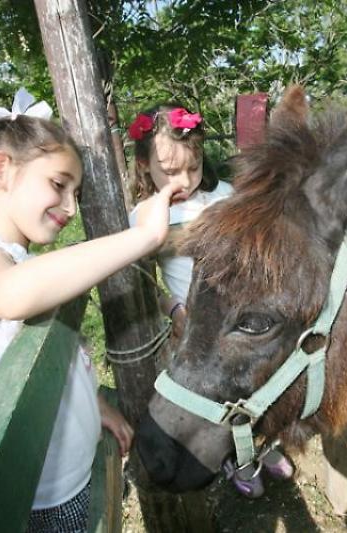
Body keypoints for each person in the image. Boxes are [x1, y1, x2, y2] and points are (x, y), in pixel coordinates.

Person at [0, 89, 181, 531]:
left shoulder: (23, 261)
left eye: (75, 192)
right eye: (58, 184)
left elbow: (60, 362)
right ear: (1, 170)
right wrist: (142, 239)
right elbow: (10, 294)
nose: (71, 207)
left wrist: (96, 406)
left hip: (67, 476)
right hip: (44, 498)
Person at [127, 103, 294, 499]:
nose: (185, 179)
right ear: (143, 165)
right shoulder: (144, 218)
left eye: (194, 166)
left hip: (238, 323)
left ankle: (266, 446)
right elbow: (142, 284)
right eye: (170, 172)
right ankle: (241, 459)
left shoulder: (227, 197)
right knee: (216, 401)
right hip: (191, 332)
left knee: (253, 390)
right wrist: (172, 309)